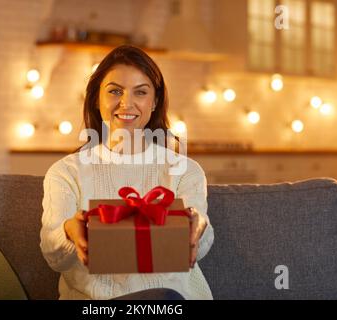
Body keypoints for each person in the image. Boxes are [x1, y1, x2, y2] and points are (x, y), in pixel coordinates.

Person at [40, 44, 214, 300]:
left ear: (154, 102)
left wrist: (198, 228)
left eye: (140, 92)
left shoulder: (185, 170)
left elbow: (196, 246)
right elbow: (53, 256)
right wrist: (68, 230)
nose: (126, 103)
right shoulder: (66, 172)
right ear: (96, 99)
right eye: (114, 91)